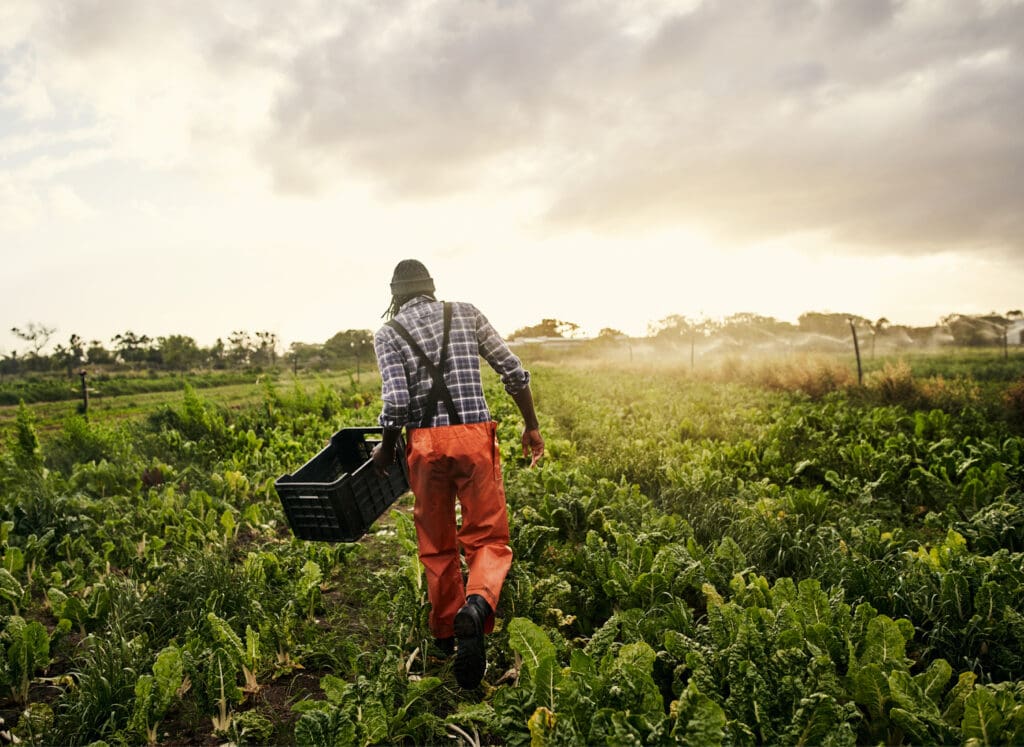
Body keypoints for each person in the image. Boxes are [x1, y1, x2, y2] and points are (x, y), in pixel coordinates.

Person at [370, 259, 544, 689]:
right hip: (473, 439)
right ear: (431, 287)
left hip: (425, 446)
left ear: (395, 297)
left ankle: (449, 635)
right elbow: (512, 369)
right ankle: (479, 606)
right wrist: (531, 424)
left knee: (436, 543)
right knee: (488, 537)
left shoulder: (389, 334)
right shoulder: (465, 312)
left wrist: (387, 449)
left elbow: (395, 404)